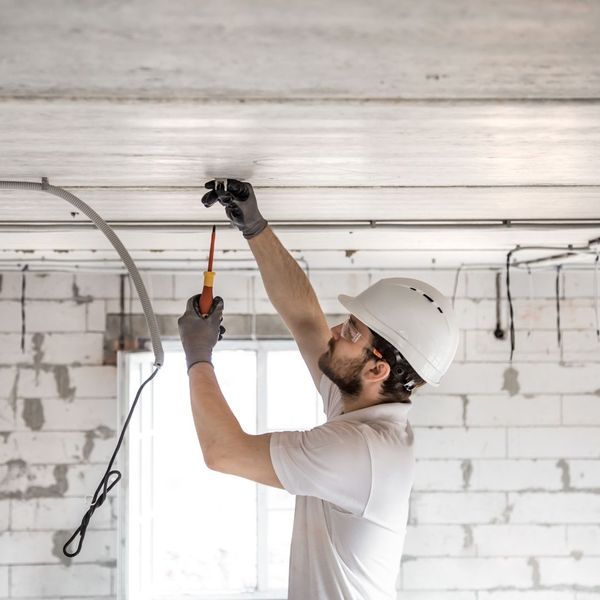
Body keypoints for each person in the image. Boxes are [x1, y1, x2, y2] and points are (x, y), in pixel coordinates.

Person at [177, 179, 460, 600]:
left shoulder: (359, 451)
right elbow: (305, 319)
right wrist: (255, 227)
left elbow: (224, 452)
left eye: (351, 331)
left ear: (377, 368)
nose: (333, 332)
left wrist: (197, 355)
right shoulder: (361, 405)